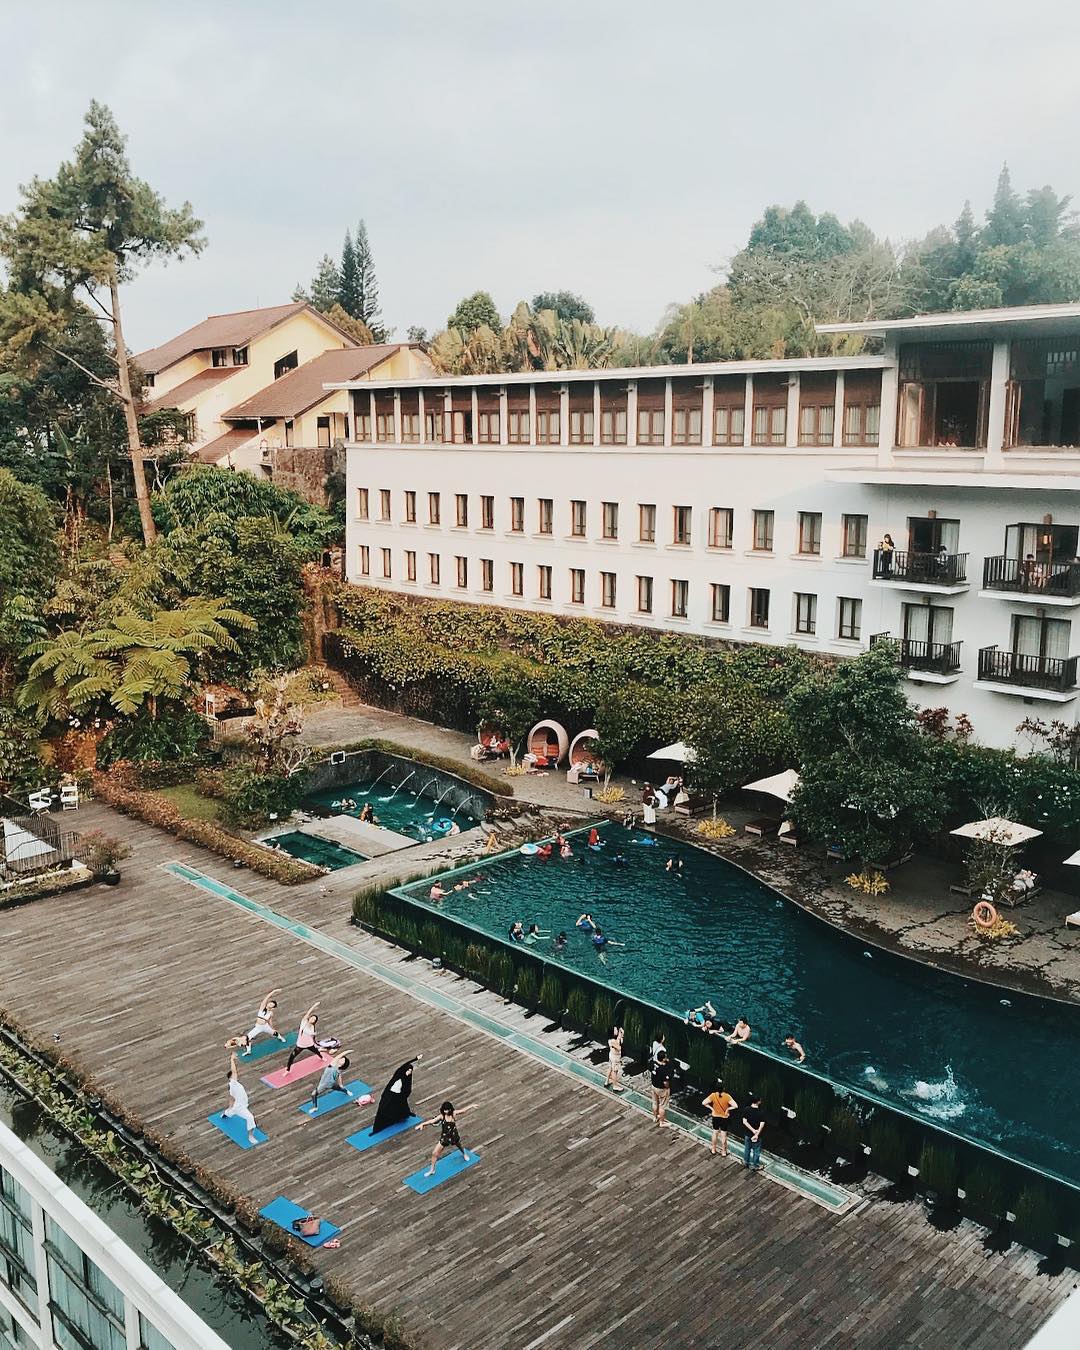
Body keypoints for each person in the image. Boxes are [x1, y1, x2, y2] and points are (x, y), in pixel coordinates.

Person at [416, 1100, 478, 1177]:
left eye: (447, 1110)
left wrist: (471, 1105)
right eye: (445, 1110)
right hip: (445, 1137)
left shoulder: (453, 1113)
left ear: (450, 1109)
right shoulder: (442, 1116)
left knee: (459, 1145)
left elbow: (463, 1111)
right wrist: (422, 1124)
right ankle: (432, 1170)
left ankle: (464, 1153)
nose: (446, 1111)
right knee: (434, 1153)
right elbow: (432, 1121)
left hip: (453, 1135)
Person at [371, 1055, 422, 1133]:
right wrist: (415, 1059)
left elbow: (407, 1090)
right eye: (408, 1070)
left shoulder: (407, 1080)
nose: (409, 1072)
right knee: (383, 1107)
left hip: (399, 1096)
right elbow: (403, 1066)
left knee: (402, 1106)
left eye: (411, 1071)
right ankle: (378, 1127)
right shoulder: (398, 1074)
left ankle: (405, 1114)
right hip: (389, 1094)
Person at [223, 1053, 259, 1145]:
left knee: (231, 1111)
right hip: (240, 1107)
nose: (236, 1075)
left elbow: (231, 1098)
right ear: (231, 1077)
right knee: (250, 1118)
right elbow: (234, 1071)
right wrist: (232, 1059)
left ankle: (225, 1113)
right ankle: (251, 1136)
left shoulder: (233, 1085)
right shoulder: (233, 1083)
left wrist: (230, 1106)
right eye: (234, 1075)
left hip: (238, 1106)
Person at [239, 988, 286, 1054]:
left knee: (274, 1033)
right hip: (258, 1027)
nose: (269, 1005)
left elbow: (270, 1021)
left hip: (265, 1026)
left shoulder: (271, 1013)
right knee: (247, 1038)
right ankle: (248, 1051)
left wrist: (272, 1028)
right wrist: (274, 991)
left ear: (273, 1008)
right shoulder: (262, 1007)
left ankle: (280, 1037)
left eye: (271, 1005)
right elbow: (266, 998)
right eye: (269, 1003)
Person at [702, 1081, 738, 1157]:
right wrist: (728, 1109)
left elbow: (704, 1103)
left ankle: (713, 1149)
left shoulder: (713, 1095)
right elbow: (736, 1106)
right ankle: (724, 1152)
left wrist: (712, 1109)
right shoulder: (727, 1096)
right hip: (724, 1117)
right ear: (723, 1088)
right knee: (723, 1135)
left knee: (715, 1133)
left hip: (715, 1117)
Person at [285, 1002, 320, 1071]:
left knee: (316, 1051)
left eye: (314, 1020)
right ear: (309, 1018)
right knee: (292, 1056)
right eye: (312, 1018)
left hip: (309, 1044)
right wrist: (314, 1006)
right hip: (300, 1044)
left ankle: (321, 1057)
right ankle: (288, 1069)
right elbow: (308, 1013)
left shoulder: (312, 1027)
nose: (312, 1019)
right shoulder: (304, 1022)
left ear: (314, 1022)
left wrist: (314, 1035)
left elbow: (311, 1035)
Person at [651, 1050, 674, 1127]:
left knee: (654, 1102)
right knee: (662, 1106)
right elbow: (665, 1082)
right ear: (663, 1059)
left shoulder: (653, 1063)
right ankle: (662, 1122)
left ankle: (655, 1117)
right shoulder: (663, 1069)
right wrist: (667, 1088)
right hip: (661, 1089)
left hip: (654, 1086)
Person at [741, 1096, 766, 1171]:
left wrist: (752, 1130)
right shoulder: (761, 1112)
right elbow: (762, 1125)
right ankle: (755, 1165)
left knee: (747, 1148)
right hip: (757, 1136)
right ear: (758, 1102)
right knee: (756, 1151)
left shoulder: (747, 1109)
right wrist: (756, 1134)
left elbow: (744, 1122)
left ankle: (746, 1162)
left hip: (747, 1134)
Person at [604, 1026, 625, 1092]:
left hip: (612, 1055)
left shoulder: (612, 1039)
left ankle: (607, 1081)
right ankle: (615, 1086)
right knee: (614, 1071)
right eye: (615, 1030)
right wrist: (619, 1038)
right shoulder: (613, 1041)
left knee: (610, 1068)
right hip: (615, 1057)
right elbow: (619, 1048)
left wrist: (621, 1035)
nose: (617, 1031)